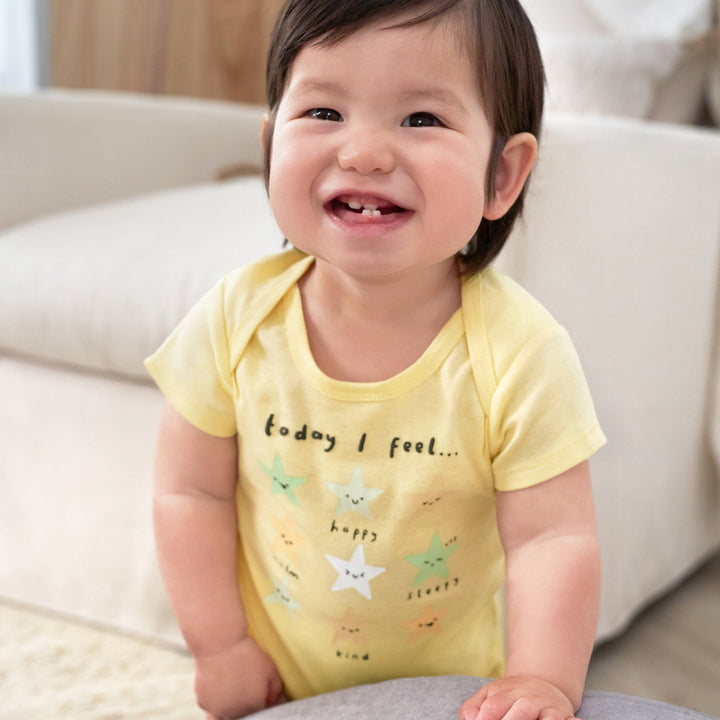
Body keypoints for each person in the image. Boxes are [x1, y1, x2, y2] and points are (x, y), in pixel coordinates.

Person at [145, 1, 607, 719]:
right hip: (278, 690)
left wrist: (542, 679)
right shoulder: (236, 320)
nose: (363, 153)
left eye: (421, 119)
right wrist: (221, 647)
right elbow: (190, 493)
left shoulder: (521, 354)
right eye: (324, 112)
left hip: (451, 697)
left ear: (502, 175)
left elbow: (552, 537)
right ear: (270, 145)